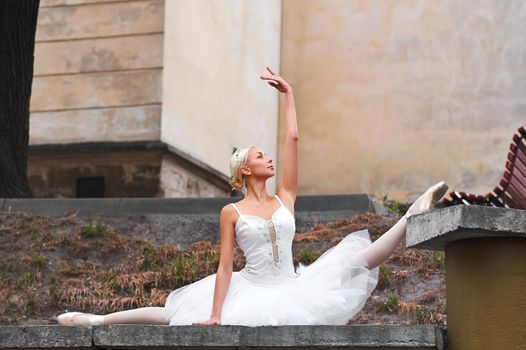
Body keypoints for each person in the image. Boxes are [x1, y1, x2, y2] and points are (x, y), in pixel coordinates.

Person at [57, 68, 448, 326]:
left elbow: (293, 139)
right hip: (252, 289)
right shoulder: (231, 211)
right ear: (246, 169)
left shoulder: (285, 198)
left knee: (355, 258)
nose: (269, 158)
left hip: (293, 284)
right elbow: (225, 267)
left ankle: (410, 215)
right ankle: (98, 320)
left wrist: (290, 95)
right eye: (261, 156)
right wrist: (214, 314)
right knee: (171, 314)